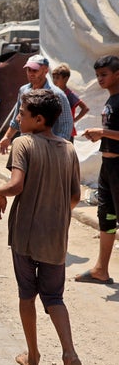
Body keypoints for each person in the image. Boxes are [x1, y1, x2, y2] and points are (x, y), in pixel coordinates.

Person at [0, 89, 84, 365]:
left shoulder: (23, 143)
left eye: (22, 114)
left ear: (39, 119)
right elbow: (75, 198)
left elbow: (16, 185)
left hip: (26, 237)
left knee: (27, 294)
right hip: (56, 238)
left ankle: (33, 357)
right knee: (55, 298)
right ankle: (69, 353)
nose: (18, 118)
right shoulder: (69, 149)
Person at [75, 55, 119, 285]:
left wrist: (102, 133)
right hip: (107, 168)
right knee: (106, 217)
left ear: (117, 74)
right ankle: (101, 269)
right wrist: (100, 136)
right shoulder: (111, 100)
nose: (100, 79)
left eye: (104, 75)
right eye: (98, 75)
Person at [0, 54, 74, 154]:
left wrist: (57, 146)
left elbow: (66, 123)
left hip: (48, 147)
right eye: (28, 70)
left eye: (35, 70)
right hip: (26, 144)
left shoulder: (57, 94)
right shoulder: (24, 90)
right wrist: (7, 137)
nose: (31, 74)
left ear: (45, 70)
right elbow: (18, 117)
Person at [51, 63, 90, 142]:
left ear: (65, 79)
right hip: (55, 129)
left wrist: (73, 120)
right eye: (53, 77)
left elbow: (85, 108)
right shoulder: (53, 93)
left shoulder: (69, 95)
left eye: (57, 78)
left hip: (67, 131)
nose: (54, 80)